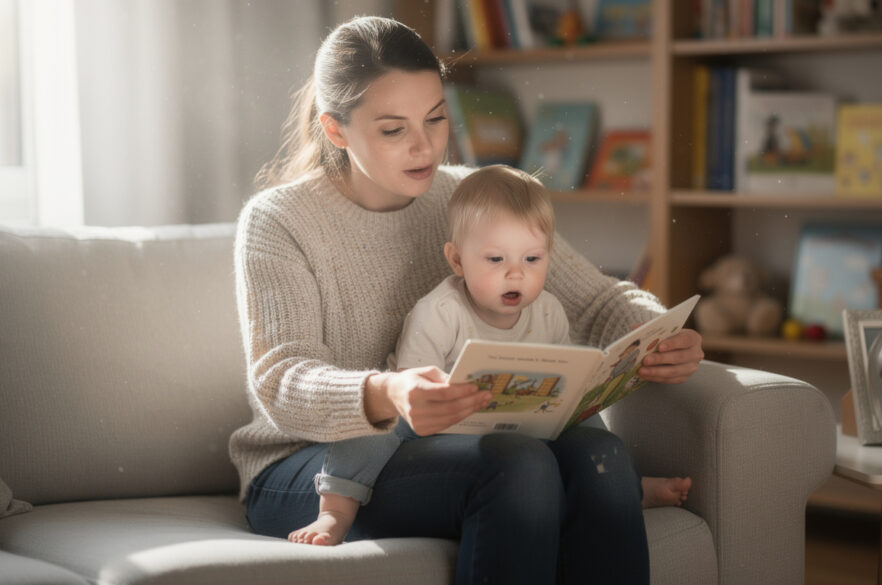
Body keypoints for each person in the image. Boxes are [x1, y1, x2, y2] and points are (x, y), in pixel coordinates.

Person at [232, 15, 703, 585]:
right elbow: (280, 379)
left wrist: (658, 333)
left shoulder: (463, 193)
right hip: (310, 464)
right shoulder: (279, 221)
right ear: (336, 131)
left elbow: (599, 300)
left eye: (435, 119)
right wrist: (387, 393)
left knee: (601, 460)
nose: (424, 146)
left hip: (449, 443)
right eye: (392, 129)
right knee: (519, 466)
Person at [287, 164, 692, 547]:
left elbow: (567, 378)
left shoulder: (547, 309)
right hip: (432, 433)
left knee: (585, 420)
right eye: (496, 260)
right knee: (370, 430)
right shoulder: (439, 312)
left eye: (532, 259)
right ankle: (336, 510)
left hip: (519, 426)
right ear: (458, 260)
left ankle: (626, 487)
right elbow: (411, 393)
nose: (516, 273)